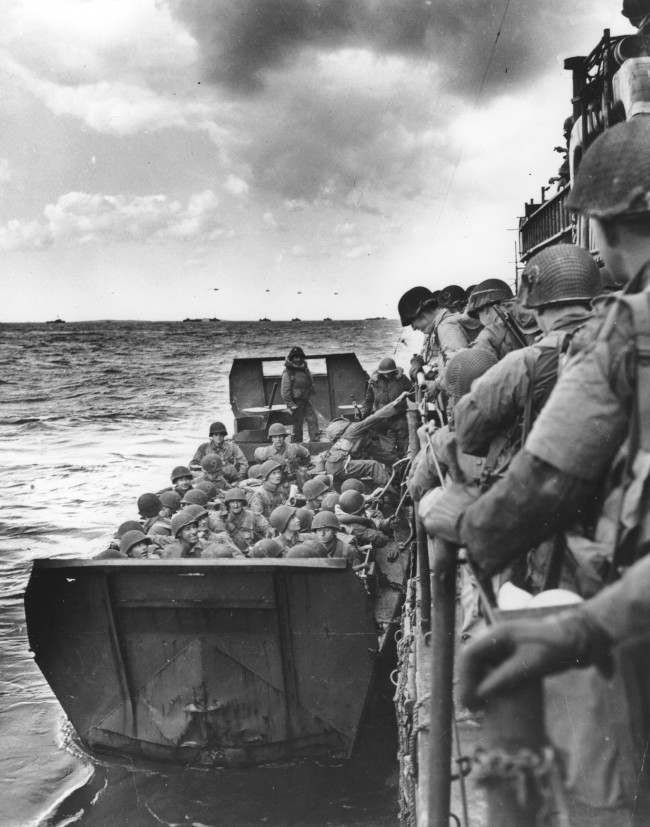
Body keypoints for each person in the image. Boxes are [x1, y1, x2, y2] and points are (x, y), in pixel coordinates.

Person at [431, 118, 650, 818]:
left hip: (580, 571)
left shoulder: (622, 332)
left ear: (609, 231)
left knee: (593, 764)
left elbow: (544, 476)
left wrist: (467, 526)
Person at [454, 245, 600, 523]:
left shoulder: (524, 363)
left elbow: (468, 434)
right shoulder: (628, 336)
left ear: (536, 305)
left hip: (559, 505)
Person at [467, 278, 539, 361]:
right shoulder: (537, 315)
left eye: (478, 314)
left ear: (486, 311)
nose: (480, 320)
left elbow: (475, 365)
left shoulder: (491, 333)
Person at [362, 357, 412, 456]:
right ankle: (391, 464)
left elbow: (412, 395)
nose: (387, 375)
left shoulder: (403, 379)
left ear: (394, 371)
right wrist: (365, 414)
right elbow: (369, 400)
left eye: (389, 372)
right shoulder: (373, 382)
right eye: (384, 373)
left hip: (399, 417)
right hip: (382, 419)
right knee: (386, 449)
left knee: (404, 443)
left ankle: (403, 462)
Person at [211, 487, 270, 554]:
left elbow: (268, 531)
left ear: (243, 503)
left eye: (238, 502)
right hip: (230, 554)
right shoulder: (222, 518)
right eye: (232, 502)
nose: (235, 505)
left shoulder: (253, 516)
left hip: (252, 553)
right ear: (228, 504)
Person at [281, 346, 319, 442]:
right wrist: (290, 404)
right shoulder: (288, 372)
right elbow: (285, 390)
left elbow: (310, 382)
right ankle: (296, 443)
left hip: (305, 400)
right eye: (295, 357)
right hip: (295, 402)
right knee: (297, 424)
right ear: (291, 358)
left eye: (299, 357)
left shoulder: (305, 369)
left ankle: (315, 441)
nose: (297, 359)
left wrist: (310, 393)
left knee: (313, 419)